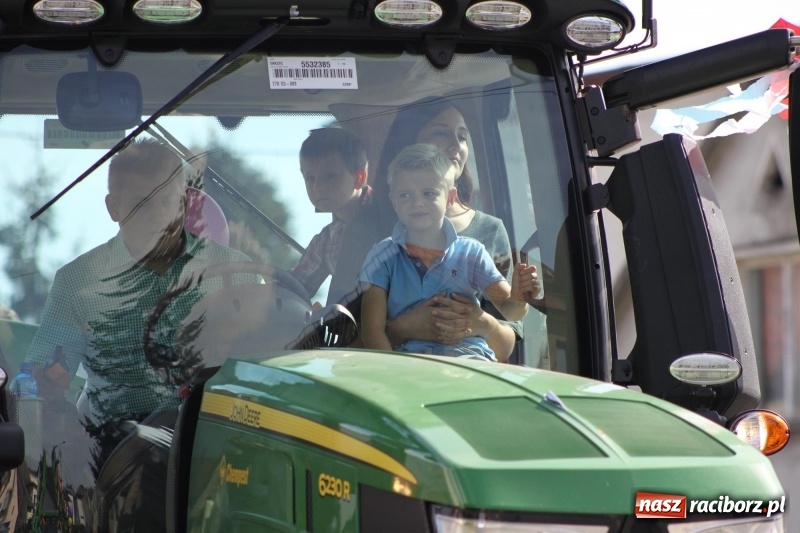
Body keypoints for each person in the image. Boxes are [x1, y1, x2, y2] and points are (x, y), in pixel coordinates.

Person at [25, 138, 254, 471]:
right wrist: (44, 389)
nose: (158, 216)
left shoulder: (235, 273)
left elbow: (261, 368)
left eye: (166, 202)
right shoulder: (78, 283)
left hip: (220, 452)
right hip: (114, 464)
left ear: (185, 201)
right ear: (113, 208)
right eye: (140, 204)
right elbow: (39, 386)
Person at [329, 96, 524, 362]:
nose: (455, 145)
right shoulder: (369, 232)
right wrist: (403, 328)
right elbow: (337, 339)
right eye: (441, 133)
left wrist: (481, 323)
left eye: (463, 136)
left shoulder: (489, 231)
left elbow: (507, 345)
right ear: (411, 143)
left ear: (451, 195)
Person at [359, 144, 539, 360]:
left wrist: (519, 298)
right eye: (405, 195)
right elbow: (372, 331)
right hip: (408, 365)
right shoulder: (381, 257)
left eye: (429, 193)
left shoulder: (471, 252)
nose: (417, 202)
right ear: (393, 201)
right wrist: (391, 376)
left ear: (450, 198)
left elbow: (510, 311)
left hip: (469, 362)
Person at [290, 127, 372, 301]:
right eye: (310, 178)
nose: (318, 186)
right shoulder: (325, 242)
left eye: (330, 176)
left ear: (359, 177)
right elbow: (294, 288)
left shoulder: (392, 211)